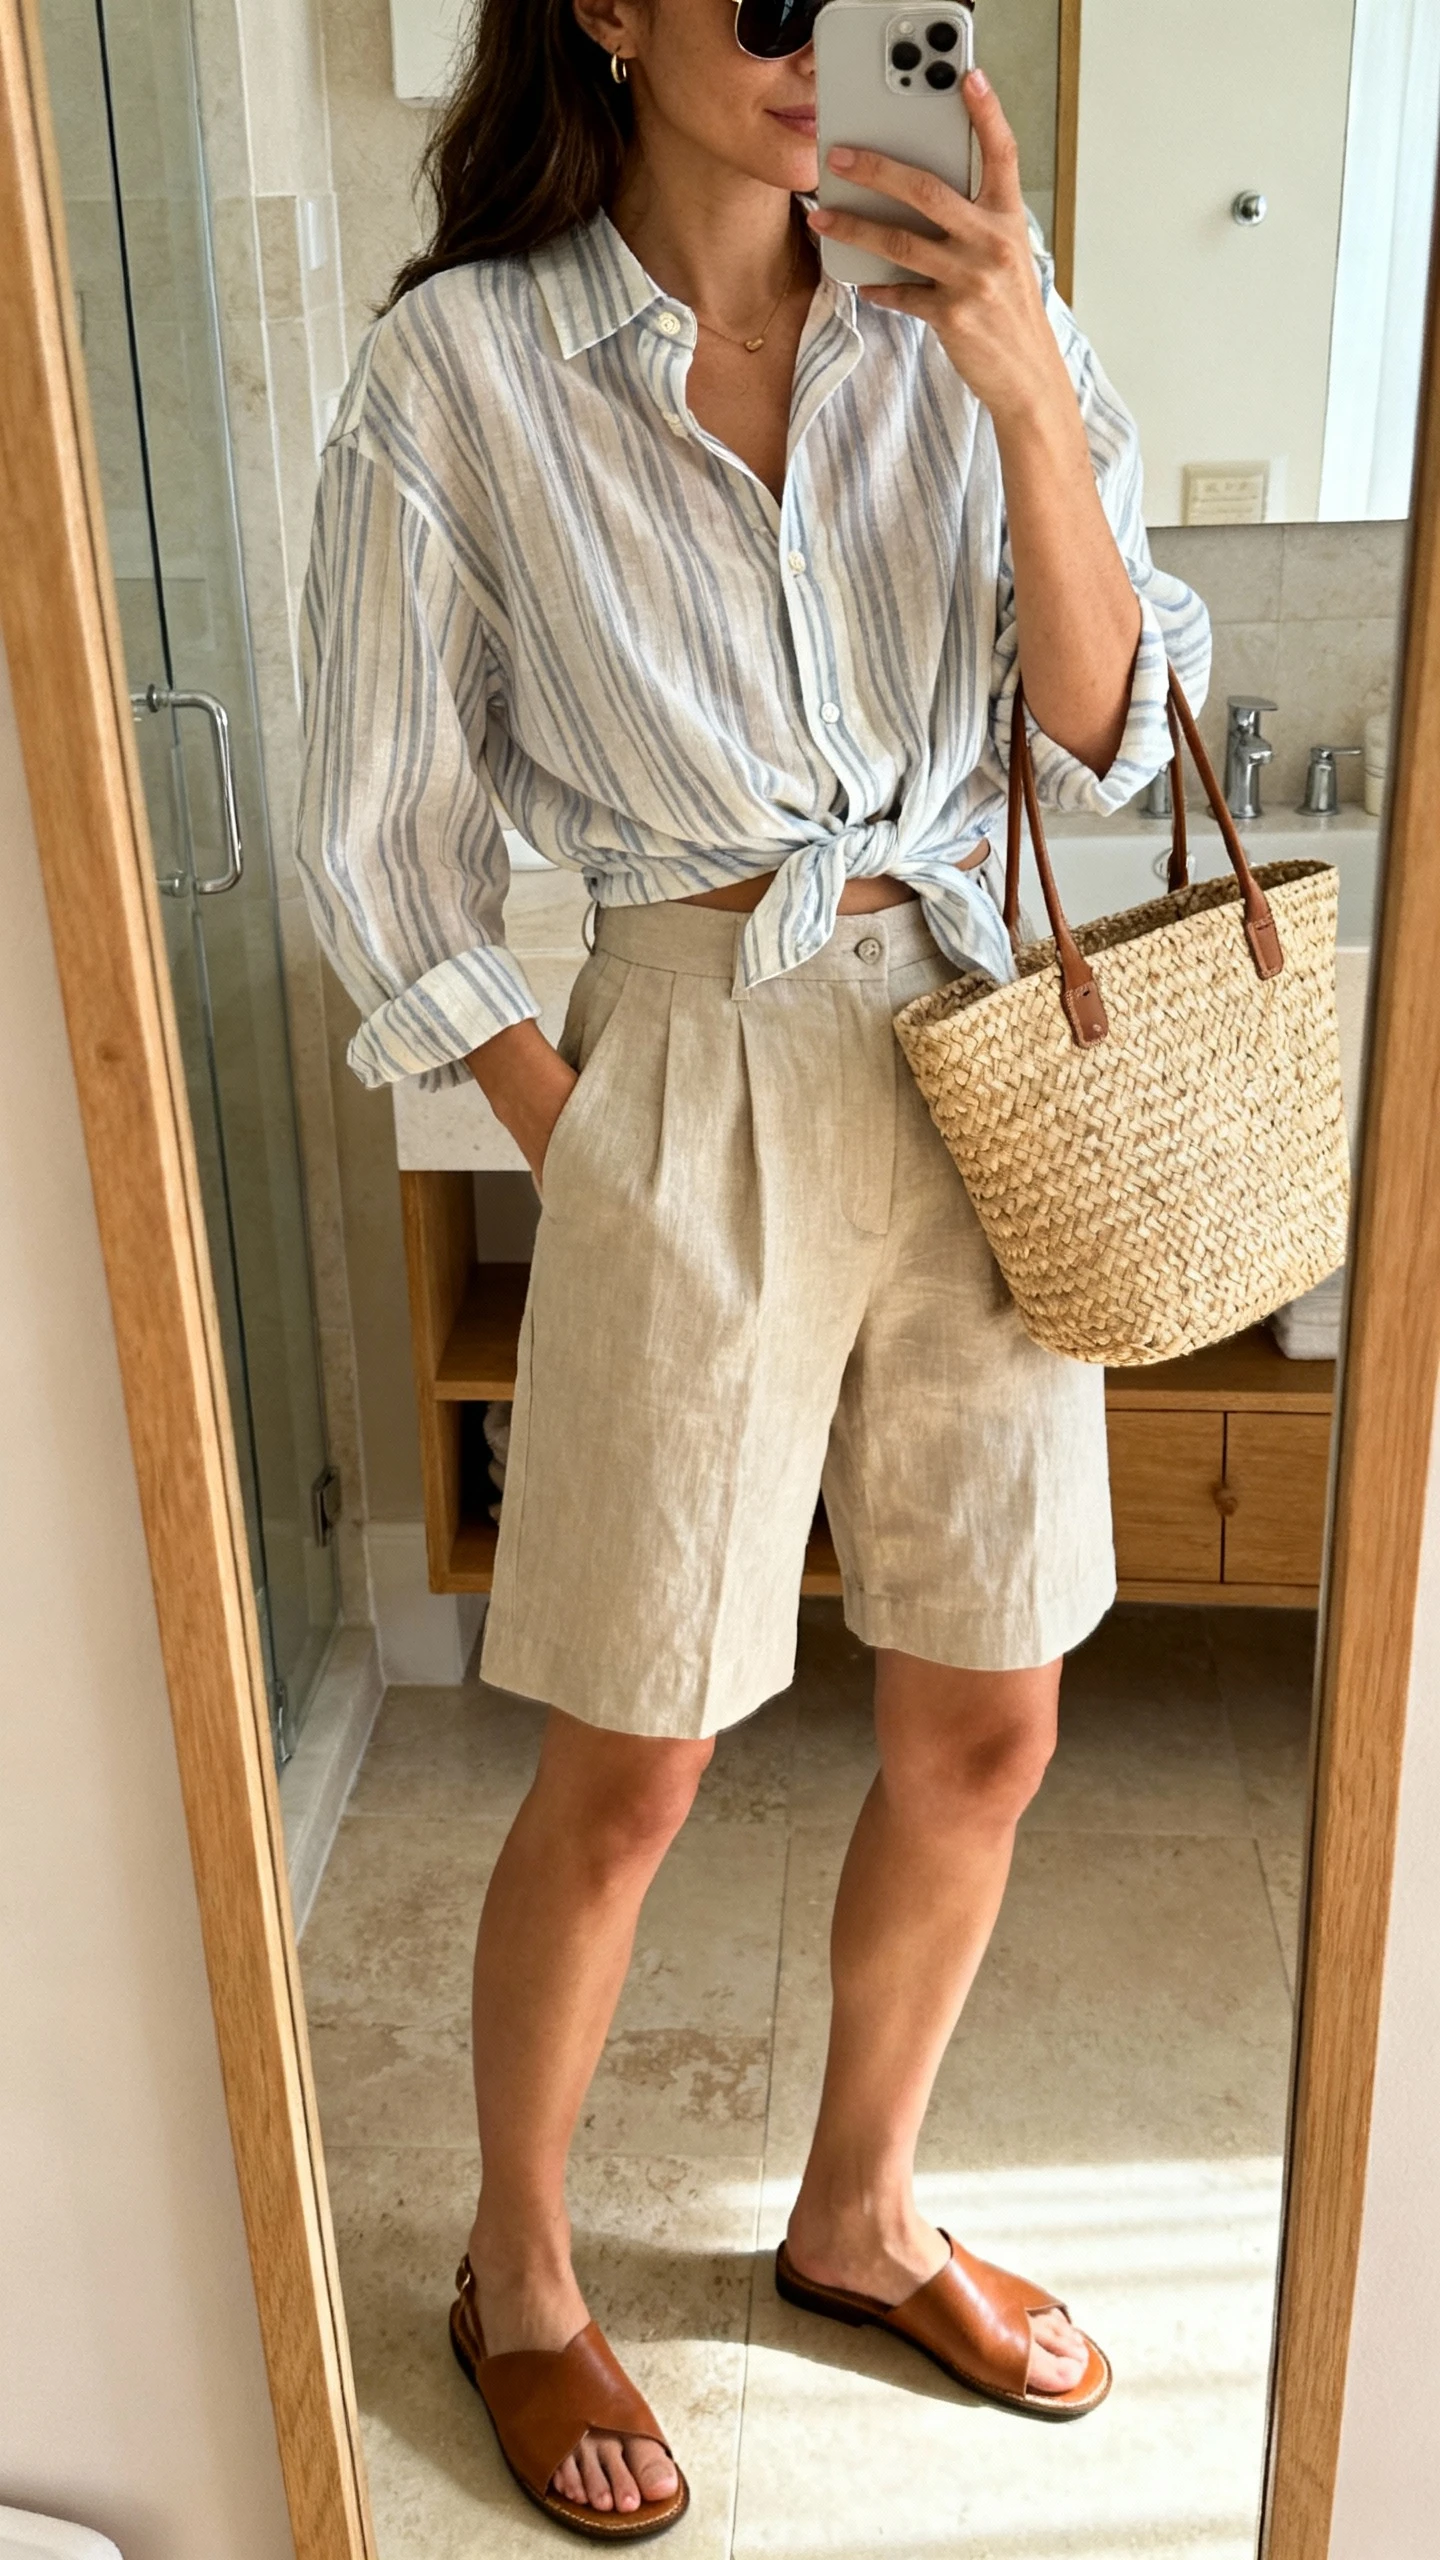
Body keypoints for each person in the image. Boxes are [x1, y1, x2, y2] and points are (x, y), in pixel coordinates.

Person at [296, 0, 1211, 2536]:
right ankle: (512, 2269)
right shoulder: (461, 367)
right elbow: (377, 820)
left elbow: (1119, 729)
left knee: (993, 1721)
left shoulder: (974, 296)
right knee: (636, 1754)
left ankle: (857, 2207)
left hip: (972, 1030)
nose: (829, 44)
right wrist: (581, 1130)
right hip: (684, 1048)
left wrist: (1026, 384)